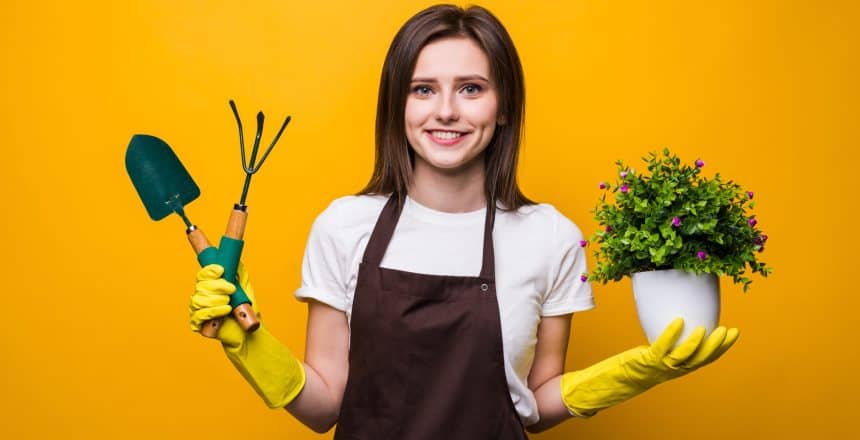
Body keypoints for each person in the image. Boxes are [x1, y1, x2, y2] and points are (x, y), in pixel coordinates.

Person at [188, 4, 739, 438]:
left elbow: (534, 406)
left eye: (470, 89)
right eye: (423, 89)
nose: (446, 110)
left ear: (503, 107)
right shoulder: (344, 227)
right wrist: (246, 343)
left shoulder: (550, 237)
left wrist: (631, 374)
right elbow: (324, 406)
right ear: (397, 107)